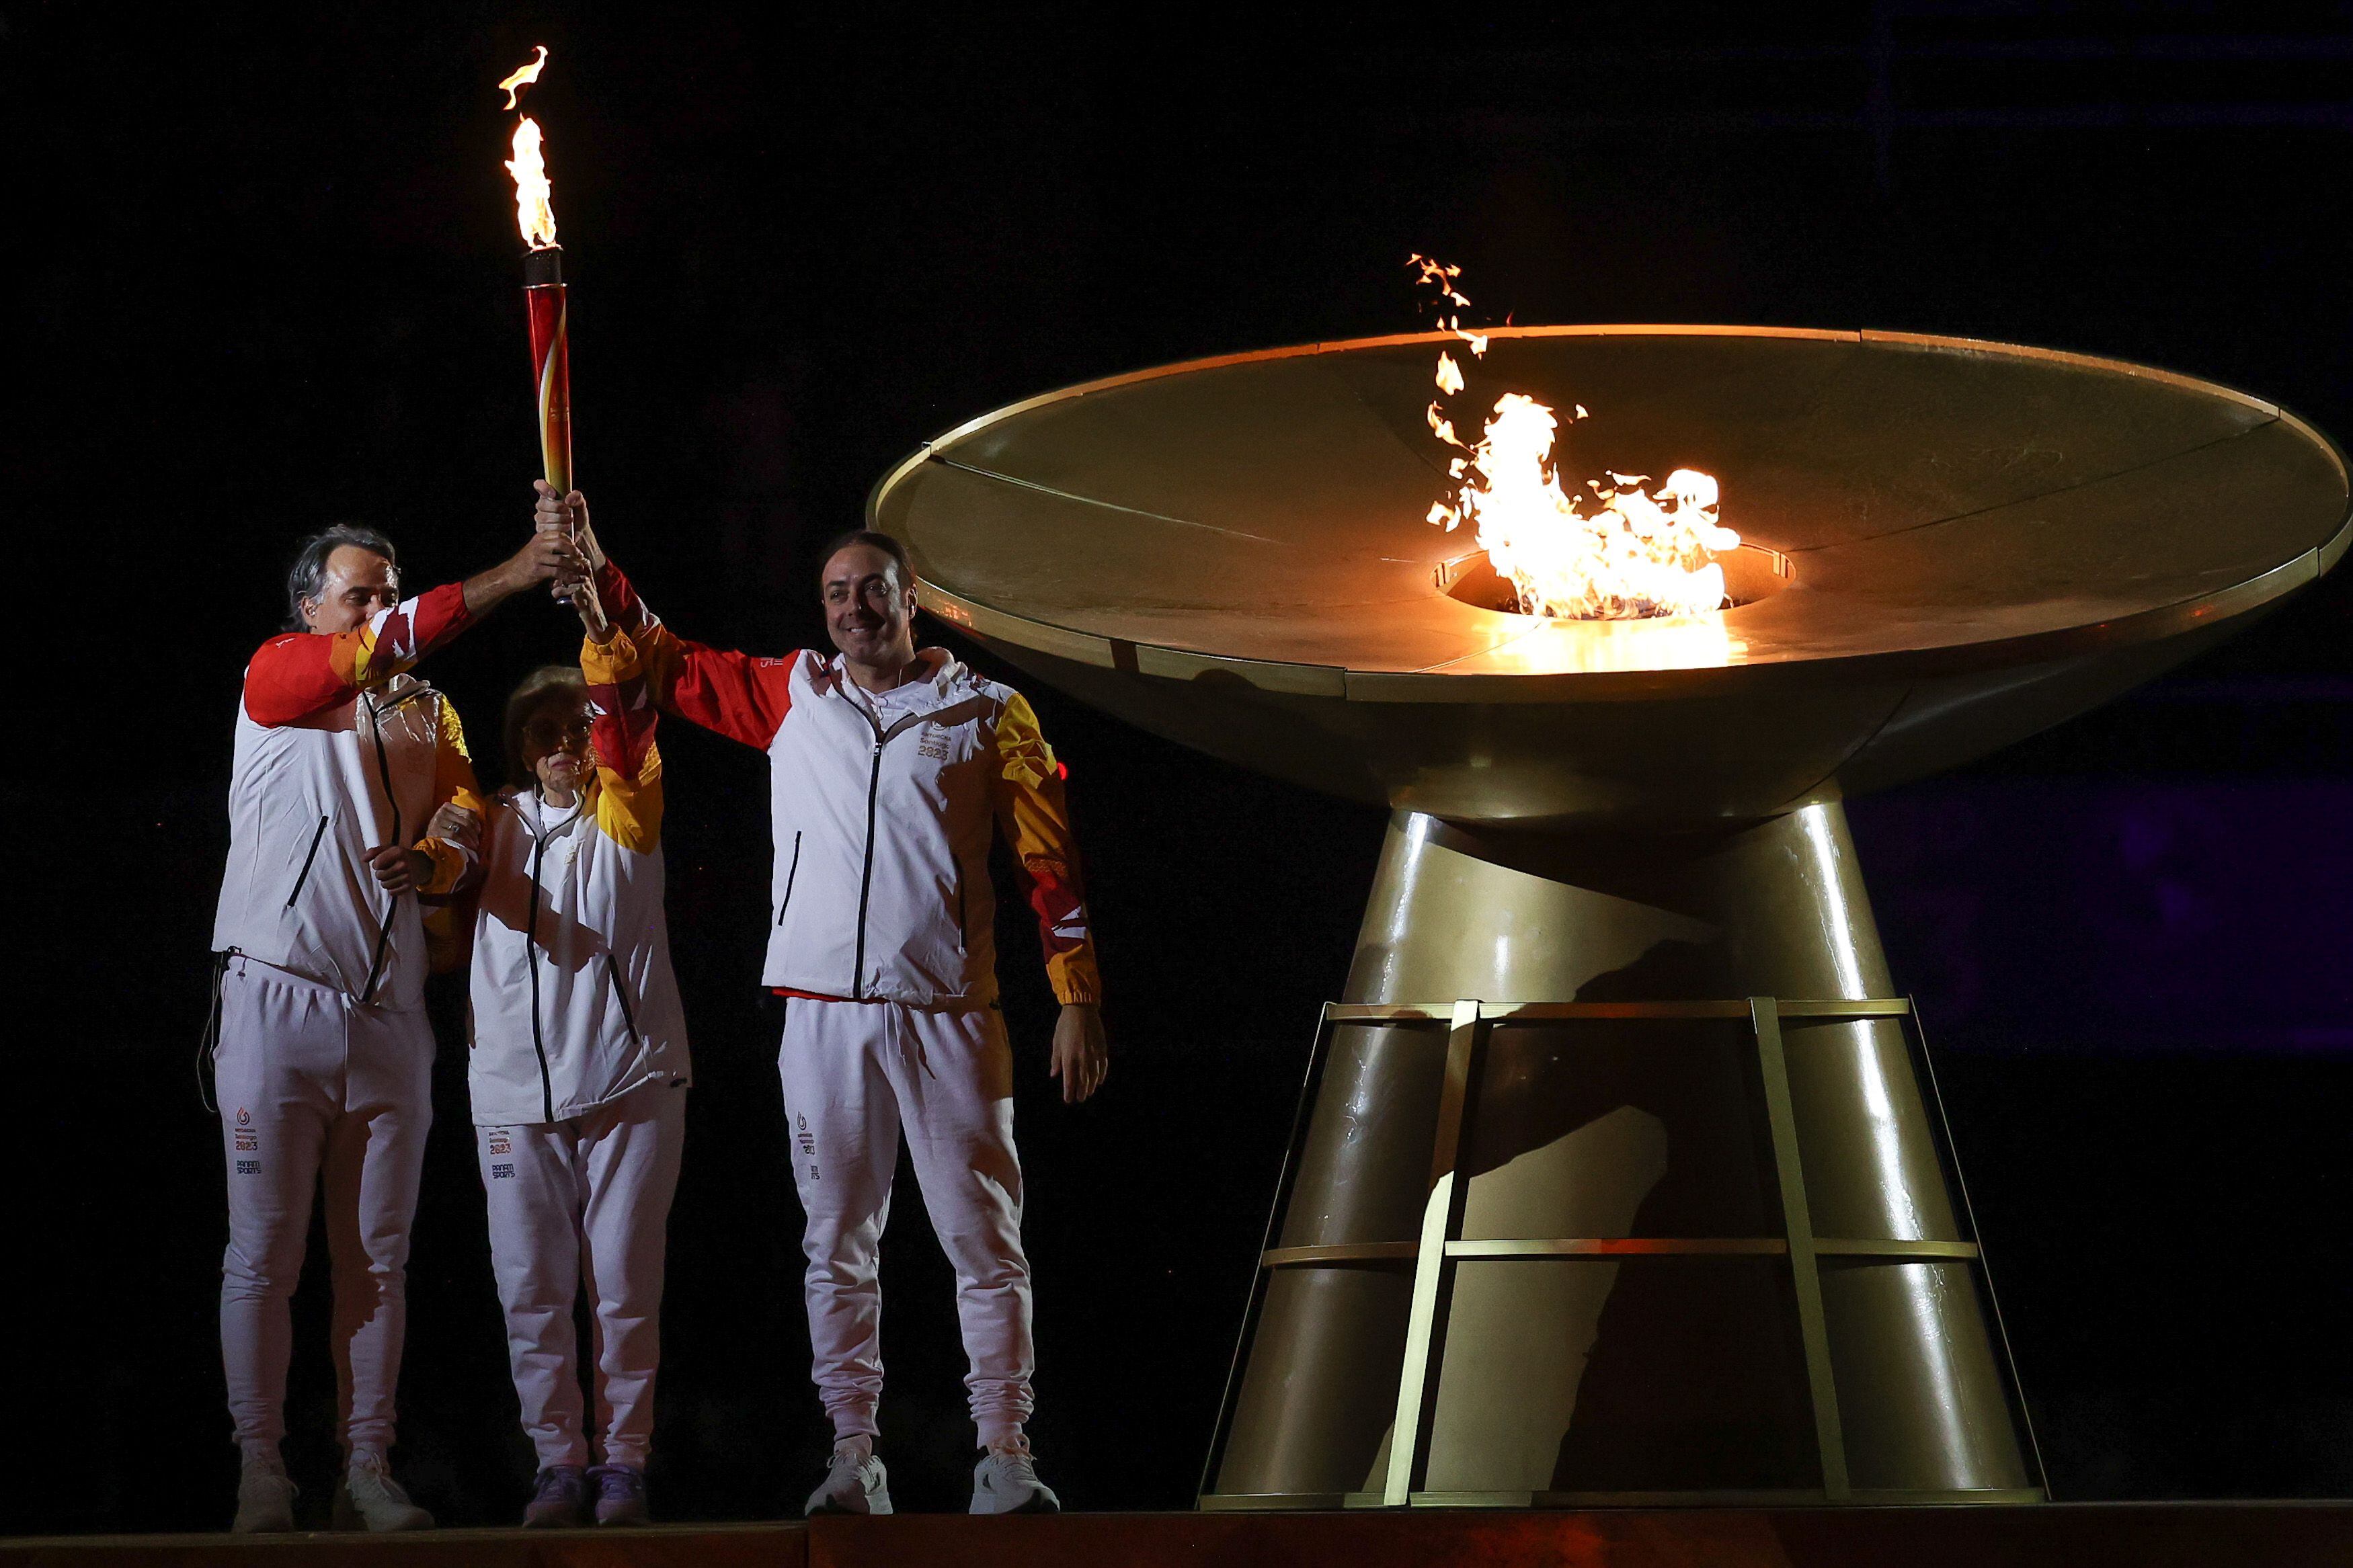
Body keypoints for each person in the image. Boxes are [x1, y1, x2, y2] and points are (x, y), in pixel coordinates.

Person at [533, 481, 1109, 1516]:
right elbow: (659, 653)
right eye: (838, 592)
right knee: (836, 1241)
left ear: (911, 599)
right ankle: (854, 1453)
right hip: (822, 1016)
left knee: (985, 1241)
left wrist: (1077, 993)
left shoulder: (986, 711)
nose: (854, 607)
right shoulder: (792, 695)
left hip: (949, 1013)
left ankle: (1006, 1454)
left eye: (873, 590)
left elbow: (1048, 857)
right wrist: (592, 560)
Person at [208, 520, 580, 1534]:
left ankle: (367, 1465)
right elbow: (385, 644)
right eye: (358, 596)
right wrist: (512, 575)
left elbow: (464, 822)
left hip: (388, 1015)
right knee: (266, 1254)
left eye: (388, 593)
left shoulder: (430, 714)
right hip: (276, 999)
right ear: (312, 608)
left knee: (378, 1257)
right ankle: (261, 1471)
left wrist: (440, 862)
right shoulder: (277, 677)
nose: (376, 611)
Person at [459, 575, 689, 1530]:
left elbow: (628, 737)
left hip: (629, 1083)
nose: (560, 745)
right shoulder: (491, 821)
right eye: (539, 730)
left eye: (574, 726)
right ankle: (559, 1460)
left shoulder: (625, 810)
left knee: (623, 1285)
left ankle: (624, 1464)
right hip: (512, 1091)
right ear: (517, 746)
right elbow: (439, 860)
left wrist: (603, 637)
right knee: (531, 1292)